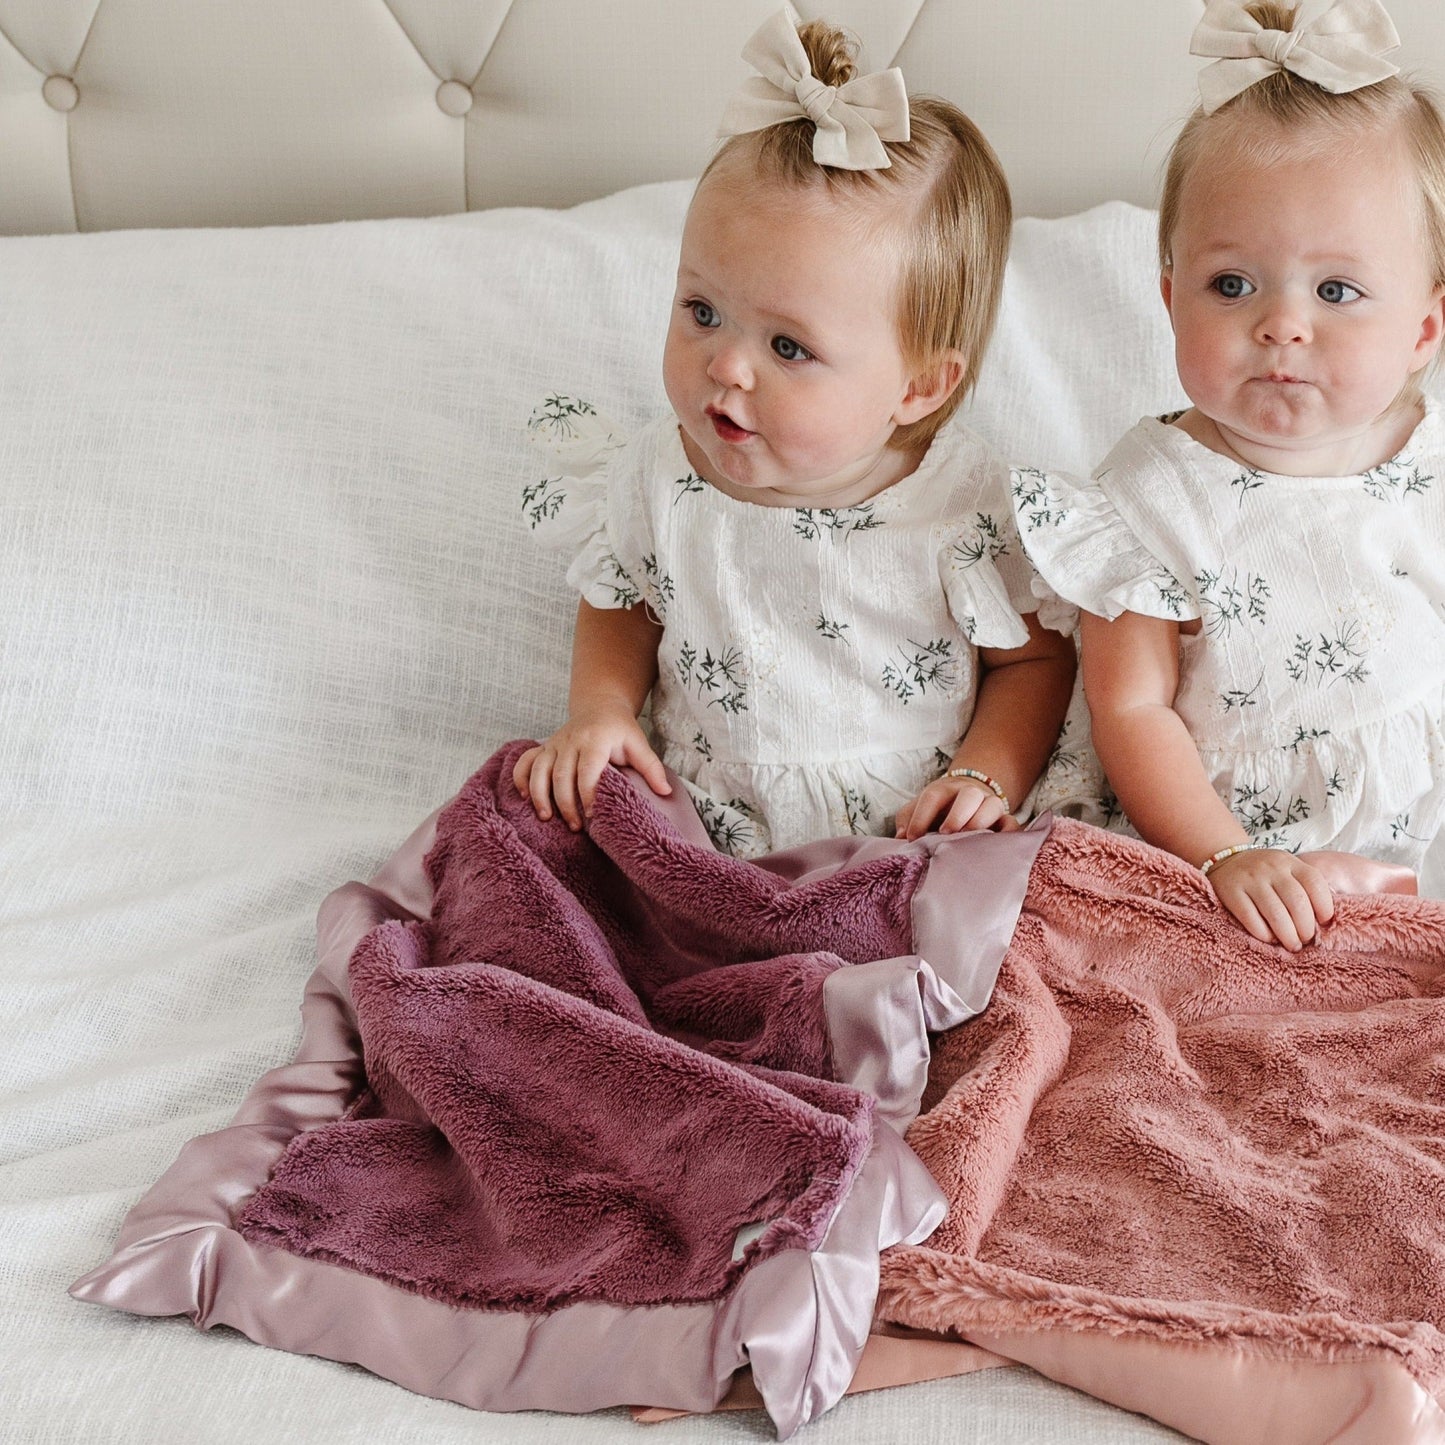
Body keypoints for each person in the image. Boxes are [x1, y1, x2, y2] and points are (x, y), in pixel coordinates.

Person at [514, 8, 1074, 859]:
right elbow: (622, 598)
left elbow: (1031, 664)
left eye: (787, 347)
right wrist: (599, 711)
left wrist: (985, 778)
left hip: (908, 838)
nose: (726, 366)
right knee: (528, 835)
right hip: (704, 822)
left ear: (917, 387)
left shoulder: (963, 506)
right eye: (702, 311)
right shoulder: (663, 477)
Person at [1015, 0, 1445, 948]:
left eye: (1335, 290)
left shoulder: (1428, 466)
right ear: (1170, 297)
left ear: (1422, 328)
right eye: (1231, 285)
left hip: (1401, 868)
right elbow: (1129, 708)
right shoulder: (1146, 502)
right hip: (1201, 864)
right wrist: (1224, 855)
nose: (1281, 325)